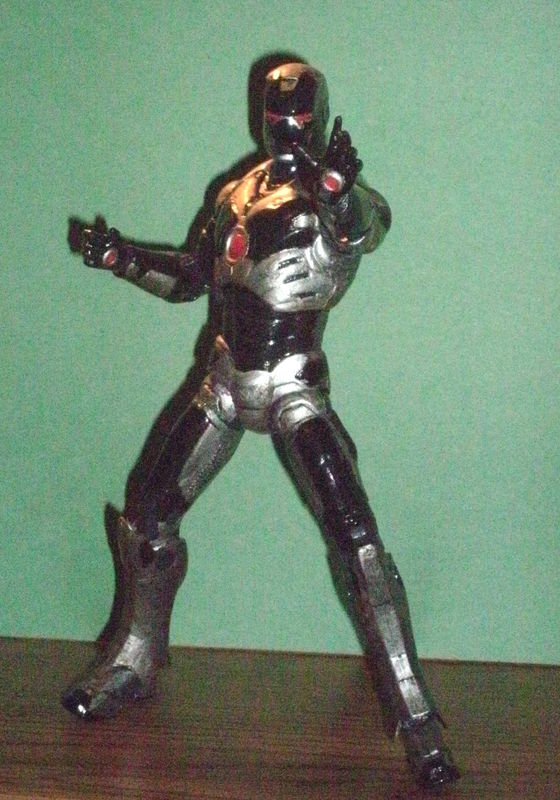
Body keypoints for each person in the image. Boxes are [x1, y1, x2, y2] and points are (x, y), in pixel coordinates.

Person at [63, 62, 459, 789]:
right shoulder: (236, 194)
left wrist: (337, 194)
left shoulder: (333, 194)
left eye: (300, 120)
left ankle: (416, 715)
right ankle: (134, 658)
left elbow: (366, 227)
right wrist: (123, 258)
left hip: (293, 388)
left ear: (320, 118)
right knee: (148, 511)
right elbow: (193, 276)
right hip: (223, 380)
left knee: (357, 538)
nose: (288, 131)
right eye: (277, 119)